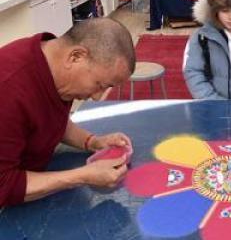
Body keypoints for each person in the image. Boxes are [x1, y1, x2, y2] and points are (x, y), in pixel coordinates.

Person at [0, 17, 136, 207]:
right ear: (76, 57)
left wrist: (93, 142)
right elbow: (4, 185)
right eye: (99, 85)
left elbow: (49, 119)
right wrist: (81, 176)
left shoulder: (55, 65)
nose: (97, 97)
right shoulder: (8, 89)